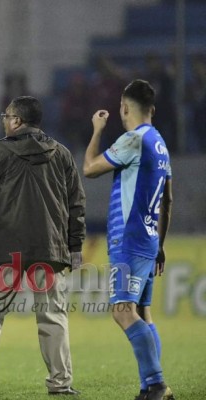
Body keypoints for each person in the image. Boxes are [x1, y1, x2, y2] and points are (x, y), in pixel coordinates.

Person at [0, 96, 85, 397]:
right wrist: (75, 245)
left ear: (16, 121)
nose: (3, 120)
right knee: (53, 315)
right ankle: (60, 383)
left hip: (4, 248)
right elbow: (76, 203)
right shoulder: (62, 154)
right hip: (49, 248)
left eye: (6, 116)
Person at [83, 80, 174, 400]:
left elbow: (90, 168)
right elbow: (168, 200)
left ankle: (158, 383)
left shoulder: (132, 140)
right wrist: (160, 245)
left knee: (122, 310)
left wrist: (96, 130)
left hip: (129, 238)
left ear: (124, 108)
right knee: (143, 313)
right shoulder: (160, 144)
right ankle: (150, 386)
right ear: (153, 109)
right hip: (149, 239)